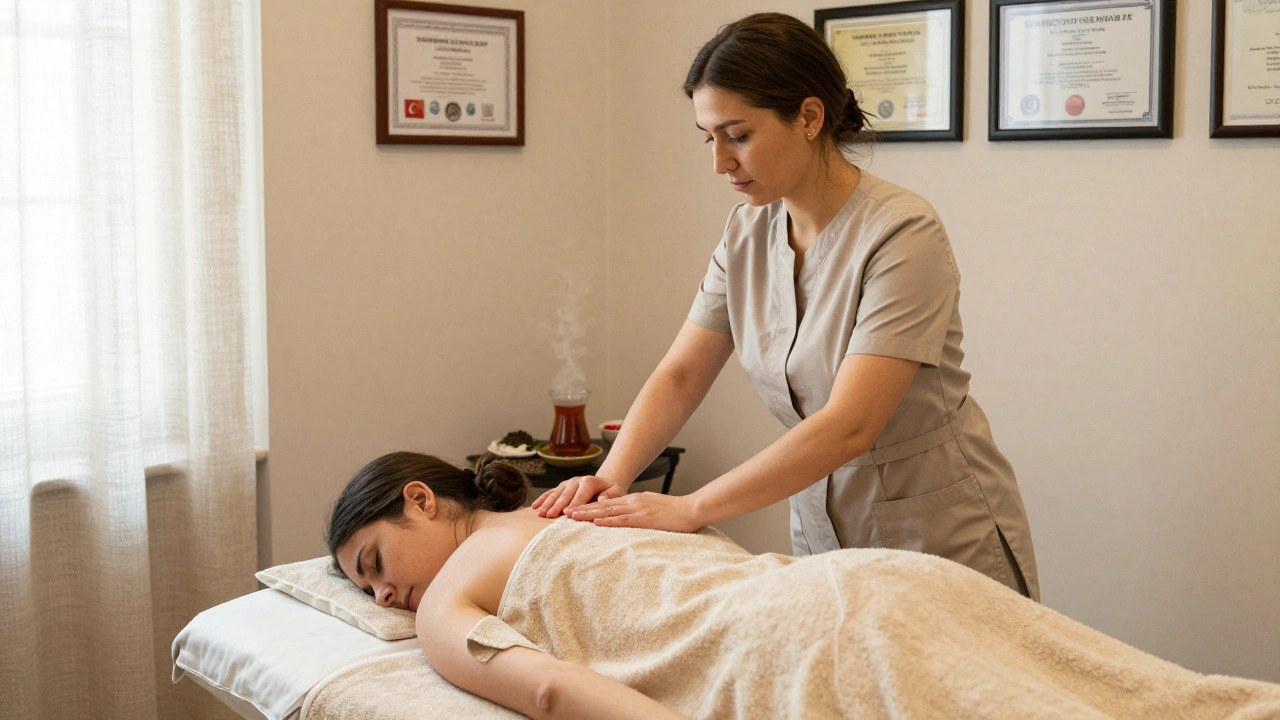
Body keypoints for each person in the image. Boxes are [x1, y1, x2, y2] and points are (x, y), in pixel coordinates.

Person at [531, 12, 1038, 599]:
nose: (719, 162)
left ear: (809, 116)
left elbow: (850, 425)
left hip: (933, 530)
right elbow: (681, 374)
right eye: (709, 137)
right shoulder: (748, 232)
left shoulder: (903, 233)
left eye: (738, 135)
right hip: (821, 520)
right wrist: (608, 481)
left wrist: (690, 508)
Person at [328, 452, 1280, 720]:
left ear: (422, 499)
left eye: (374, 564)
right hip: (873, 581)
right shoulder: (590, 501)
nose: (385, 600)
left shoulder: (457, 594)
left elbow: (542, 688)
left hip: (802, 644)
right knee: (1163, 698)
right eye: (364, 596)